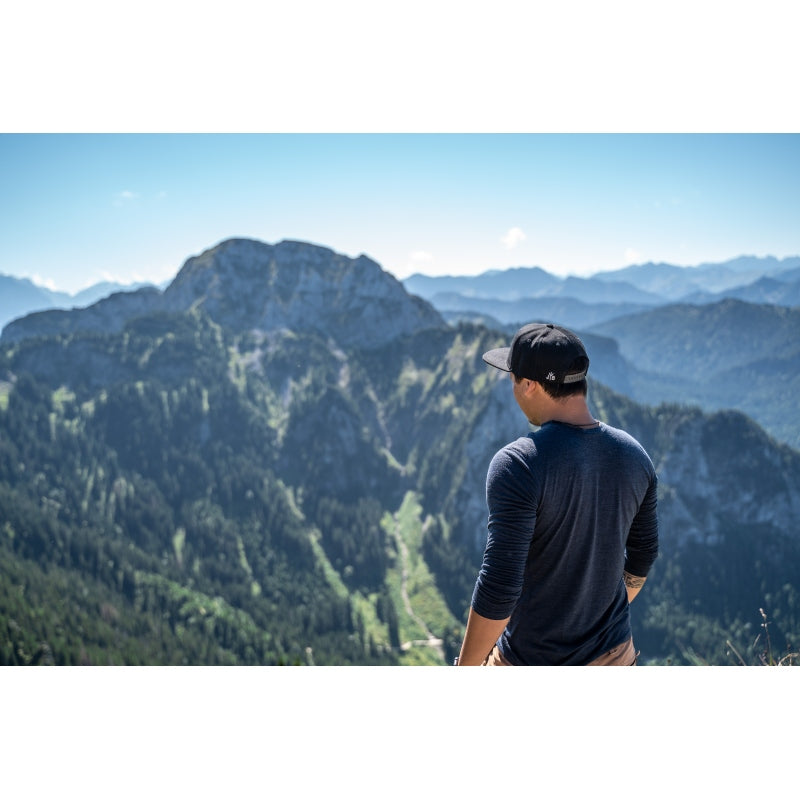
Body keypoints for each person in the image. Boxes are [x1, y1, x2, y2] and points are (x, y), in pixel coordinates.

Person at [455, 322, 659, 666]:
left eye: (513, 378)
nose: (512, 388)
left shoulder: (519, 464)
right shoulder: (635, 456)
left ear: (530, 385)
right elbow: (644, 554)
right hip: (615, 658)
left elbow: (499, 587)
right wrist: (600, 617)